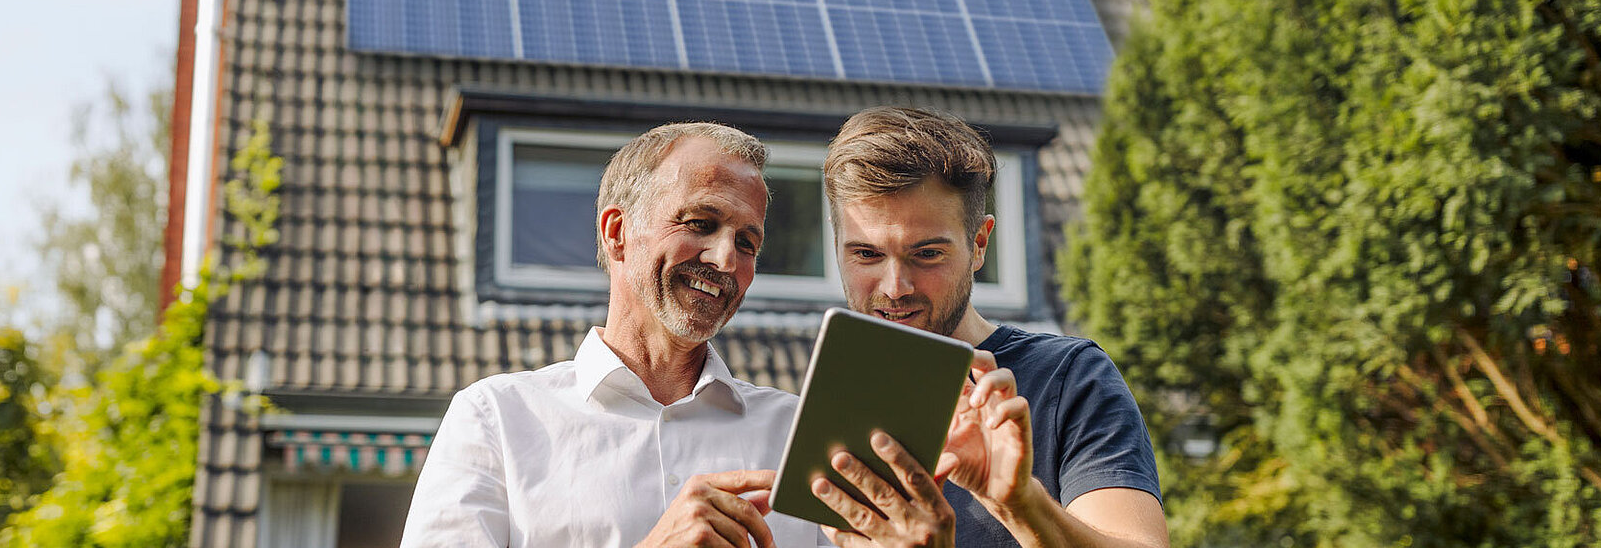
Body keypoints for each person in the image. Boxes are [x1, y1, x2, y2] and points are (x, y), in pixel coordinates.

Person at [401, 122, 828, 547]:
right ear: (617, 233)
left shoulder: (800, 437)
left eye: (747, 244)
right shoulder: (496, 420)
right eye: (700, 223)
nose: (726, 260)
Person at [809, 106, 1168, 548]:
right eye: (866, 255)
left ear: (979, 244)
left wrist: (1020, 506)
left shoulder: (1068, 379)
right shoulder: (819, 403)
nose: (895, 287)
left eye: (927, 254)